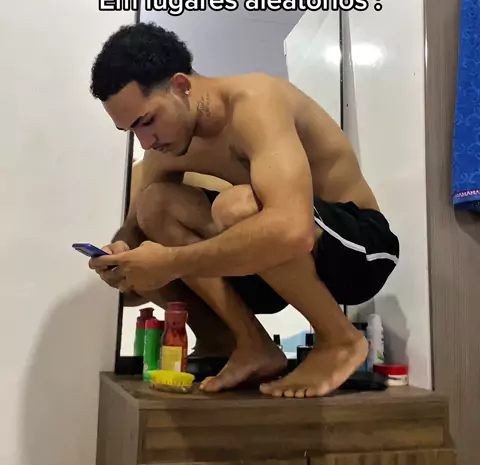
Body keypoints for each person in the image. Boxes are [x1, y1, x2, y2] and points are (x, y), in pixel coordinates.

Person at [89, 22, 399, 398]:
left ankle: (340, 339)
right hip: (275, 268)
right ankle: (245, 343)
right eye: (132, 131)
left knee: (236, 206)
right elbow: (134, 228)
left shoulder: (255, 102)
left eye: (148, 121)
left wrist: (170, 262)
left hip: (358, 252)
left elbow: (292, 231)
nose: (146, 141)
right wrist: (120, 254)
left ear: (181, 86)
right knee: (156, 205)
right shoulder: (167, 147)